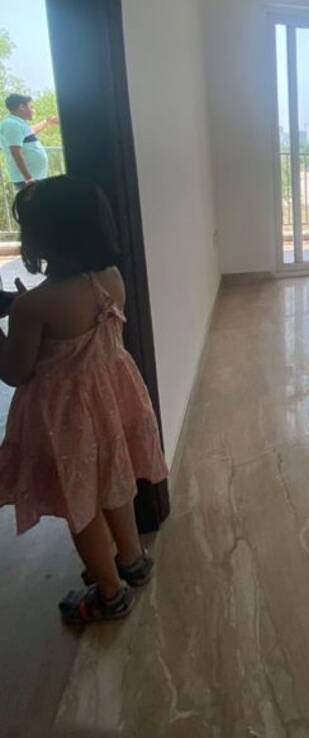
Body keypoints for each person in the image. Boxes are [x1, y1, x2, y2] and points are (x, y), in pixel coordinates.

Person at [0, 176, 168, 624]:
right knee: (114, 484)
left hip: (65, 420)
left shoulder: (34, 307)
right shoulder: (110, 278)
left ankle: (109, 594)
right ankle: (132, 560)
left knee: (81, 505)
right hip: (112, 403)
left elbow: (15, 371)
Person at [0, 93, 58, 192]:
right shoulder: (11, 125)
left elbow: (32, 131)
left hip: (33, 178)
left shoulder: (17, 123)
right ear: (22, 107)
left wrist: (47, 122)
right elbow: (16, 153)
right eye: (31, 107)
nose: (33, 110)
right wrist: (29, 178)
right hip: (27, 180)